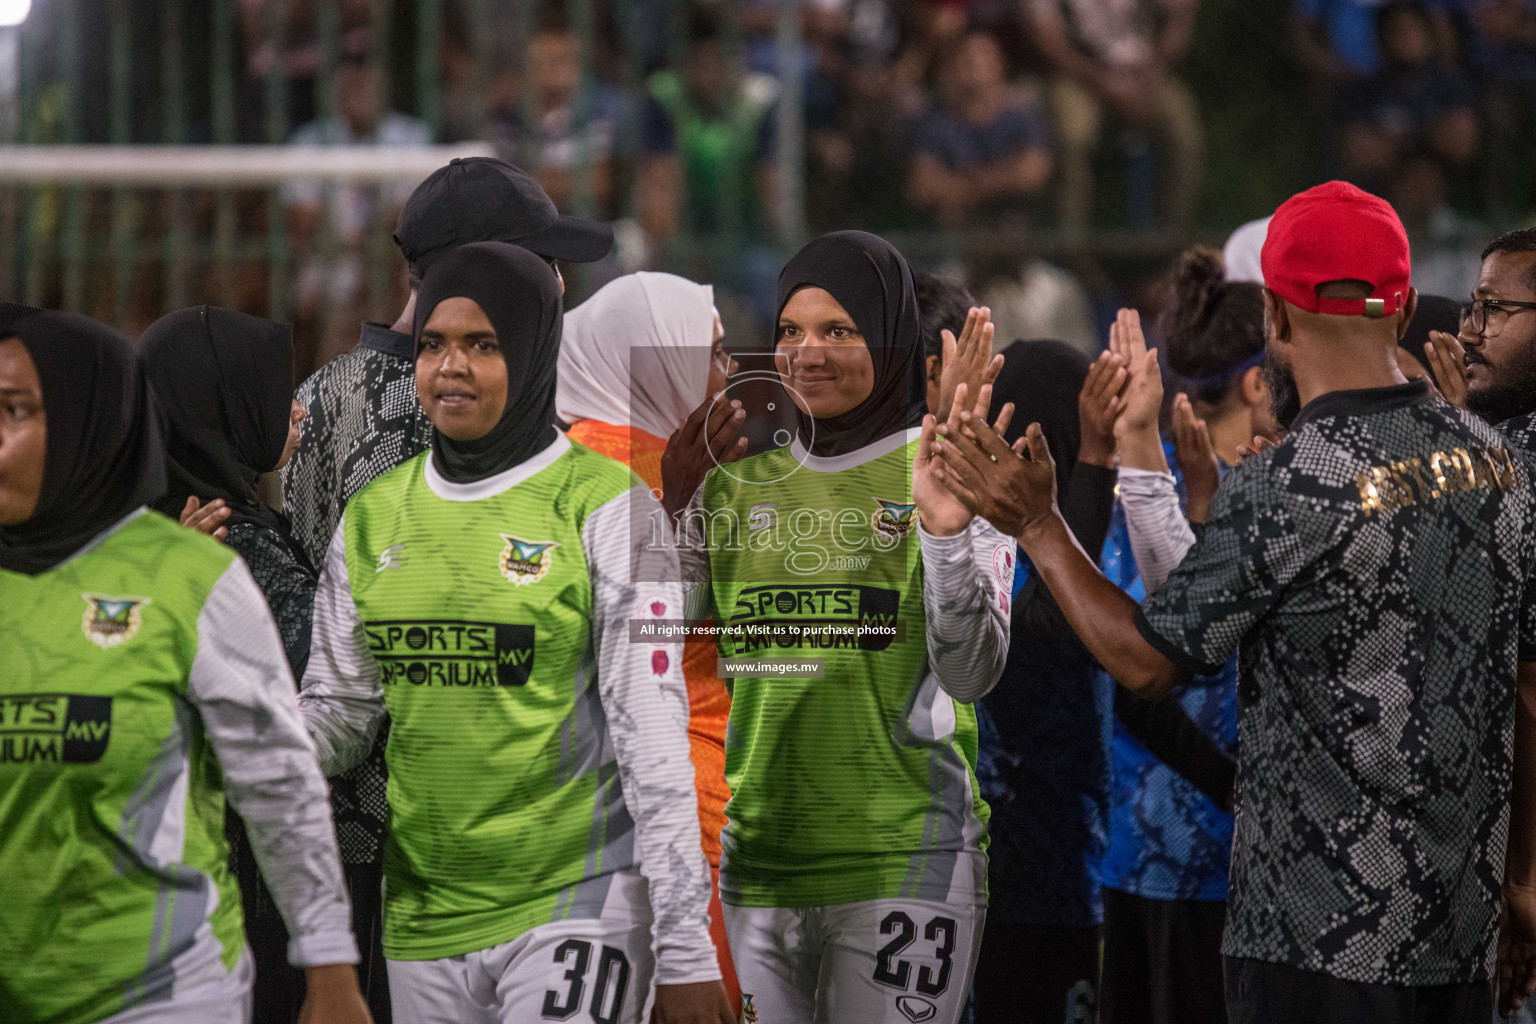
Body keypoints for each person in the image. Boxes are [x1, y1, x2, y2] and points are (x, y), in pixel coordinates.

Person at [931, 180, 1536, 1023]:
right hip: (1458, 930)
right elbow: (1524, 687)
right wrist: (1520, 886)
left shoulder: (1293, 481)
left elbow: (1146, 663)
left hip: (1316, 938)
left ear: (1276, 322)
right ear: (1400, 310)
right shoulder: (1498, 460)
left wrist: (1038, 524)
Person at [296, 242, 733, 1024]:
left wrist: (685, 947)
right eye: (433, 343)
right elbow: (338, 714)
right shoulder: (373, 517)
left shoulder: (609, 505)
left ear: (532, 353)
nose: (449, 367)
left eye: (481, 345)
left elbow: (654, 738)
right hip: (423, 919)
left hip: (580, 904)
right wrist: (226, 739)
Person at [677, 230, 1013, 1024]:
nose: (808, 352)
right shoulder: (737, 482)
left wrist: (944, 533)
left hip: (903, 858)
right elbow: (650, 640)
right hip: (759, 862)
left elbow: (973, 673)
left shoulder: (952, 465)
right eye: (791, 331)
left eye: (839, 331)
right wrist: (673, 504)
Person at [0, 309, 370, 1024]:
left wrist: (330, 968)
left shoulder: (196, 571)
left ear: (87, 423)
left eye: (16, 411)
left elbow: (280, 780)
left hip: (162, 990)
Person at [137, 304, 400, 1024]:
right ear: (221, 405)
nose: (297, 411)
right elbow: (326, 679)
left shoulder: (141, 528)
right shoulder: (230, 544)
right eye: (269, 392)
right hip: (240, 889)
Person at [556, 271, 744, 1008]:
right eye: (714, 352)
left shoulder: (563, 458)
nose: (727, 376)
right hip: (686, 800)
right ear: (661, 359)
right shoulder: (634, 471)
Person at [282, 155, 613, 570]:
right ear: (483, 266)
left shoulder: (315, 388)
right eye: (543, 264)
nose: (559, 284)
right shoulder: (454, 405)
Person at [1025, 0, 1204, 233]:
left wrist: (1147, 77)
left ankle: (1169, 243)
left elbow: (1178, 19)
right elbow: (1049, 43)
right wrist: (1106, 83)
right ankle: (1071, 245)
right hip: (1076, 76)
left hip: (1145, 75)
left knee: (1184, 133)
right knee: (1072, 136)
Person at [907, 32, 1053, 227]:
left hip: (1014, 232)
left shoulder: (1022, 117)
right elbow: (922, 185)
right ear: (951, 67)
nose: (974, 64)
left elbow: (1033, 171)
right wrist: (1002, 178)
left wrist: (971, 186)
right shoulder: (934, 121)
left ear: (999, 64)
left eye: (983, 56)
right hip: (954, 235)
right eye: (966, 58)